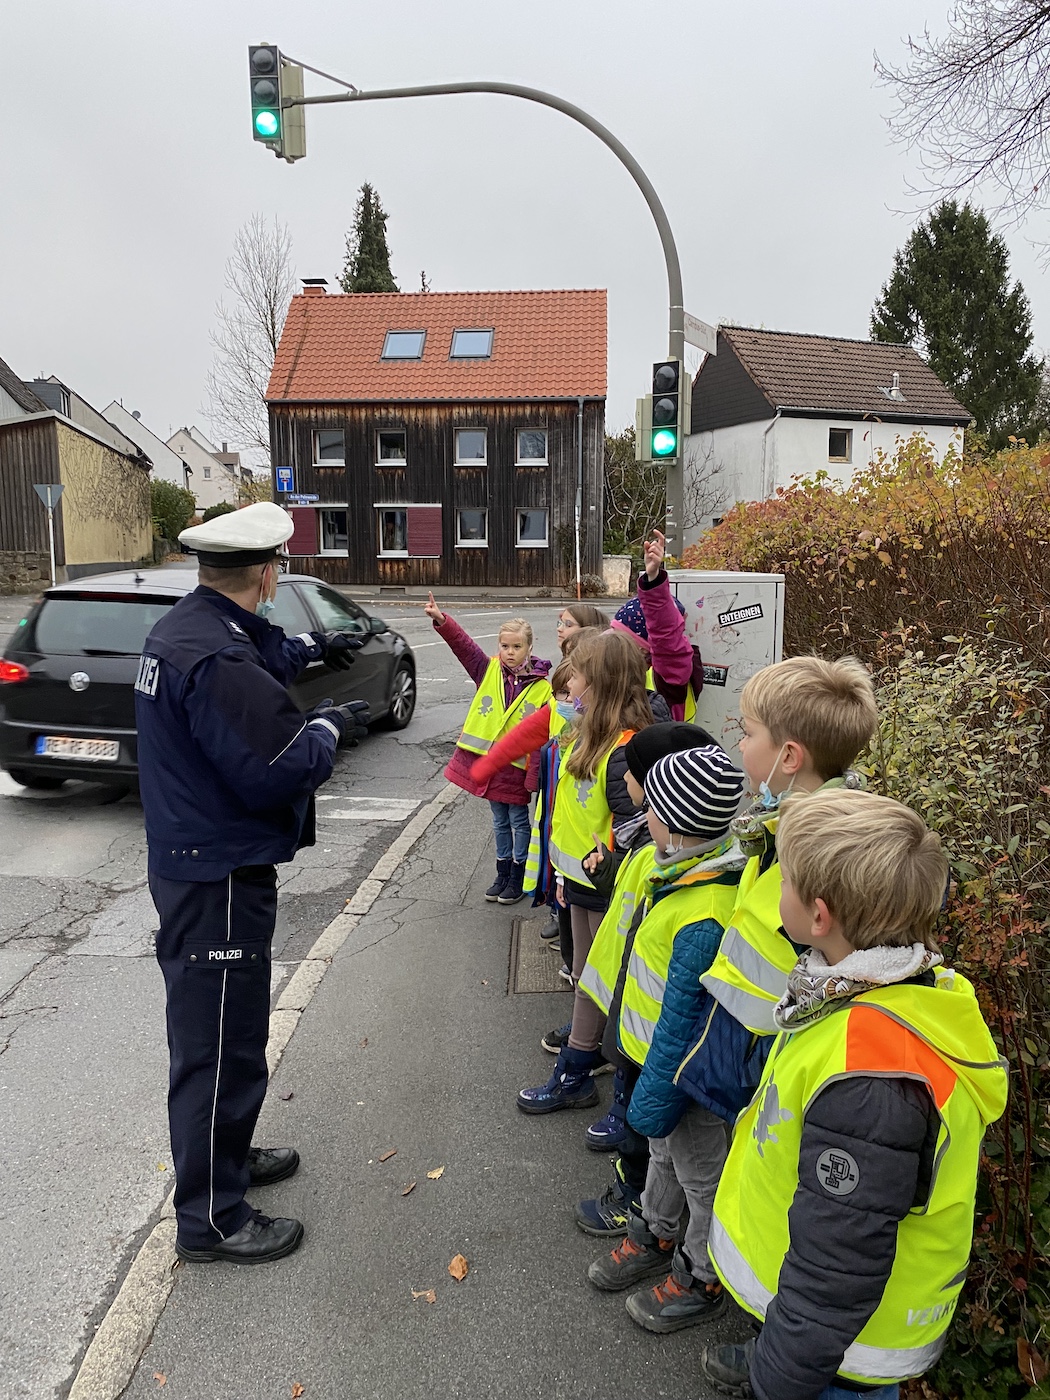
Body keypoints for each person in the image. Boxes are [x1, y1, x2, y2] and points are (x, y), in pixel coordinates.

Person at [700, 789, 1008, 1400]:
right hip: (821, 1329)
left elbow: (837, 1267)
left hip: (844, 1351)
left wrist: (780, 1379)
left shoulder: (872, 1082)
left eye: (783, 878)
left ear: (820, 915)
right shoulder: (875, 987)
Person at [135, 503, 370, 1265]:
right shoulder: (217, 659)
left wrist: (312, 647)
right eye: (278, 572)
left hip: (197, 866)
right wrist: (329, 728)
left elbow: (255, 651)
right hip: (220, 876)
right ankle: (214, 1219)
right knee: (219, 1048)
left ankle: (225, 1159)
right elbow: (276, 767)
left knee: (229, 1041)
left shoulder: (187, 630)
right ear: (268, 574)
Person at [618, 655, 878, 1254]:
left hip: (761, 1049)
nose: (737, 744)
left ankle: (706, 1271)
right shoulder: (783, 823)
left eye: (747, 731)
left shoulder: (820, 844)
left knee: (716, 1166)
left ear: (788, 756)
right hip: (740, 1038)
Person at [577, 746, 746, 1289]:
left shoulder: (702, 914)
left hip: (682, 1078)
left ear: (675, 824)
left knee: (701, 1173)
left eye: (651, 807)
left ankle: (701, 1271)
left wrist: (653, 1094)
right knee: (665, 1156)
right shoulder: (681, 874)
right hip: (660, 1066)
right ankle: (657, 1228)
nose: (643, 814)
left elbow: (683, 1021)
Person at [516, 629, 654, 1113]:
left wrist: (607, 866)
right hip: (578, 880)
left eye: (576, 673)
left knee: (605, 983)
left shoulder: (622, 751)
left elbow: (639, 829)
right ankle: (580, 1068)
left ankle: (608, 1088)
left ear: (601, 683)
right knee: (583, 975)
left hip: (605, 886)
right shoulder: (588, 733)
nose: (568, 682)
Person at [424, 594, 551, 905]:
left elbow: (541, 737)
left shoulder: (543, 686)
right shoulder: (489, 670)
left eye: (516, 647)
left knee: (519, 821)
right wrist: (443, 621)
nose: (509, 652)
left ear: (529, 649)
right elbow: (464, 648)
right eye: (504, 646)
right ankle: (502, 871)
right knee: (498, 819)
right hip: (492, 766)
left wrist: (533, 777)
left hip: (517, 769)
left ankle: (519, 873)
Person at [611, 528, 705, 722]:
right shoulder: (620, 675)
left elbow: (665, 633)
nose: (612, 641)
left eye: (621, 636)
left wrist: (653, 580)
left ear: (644, 648)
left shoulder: (667, 678)